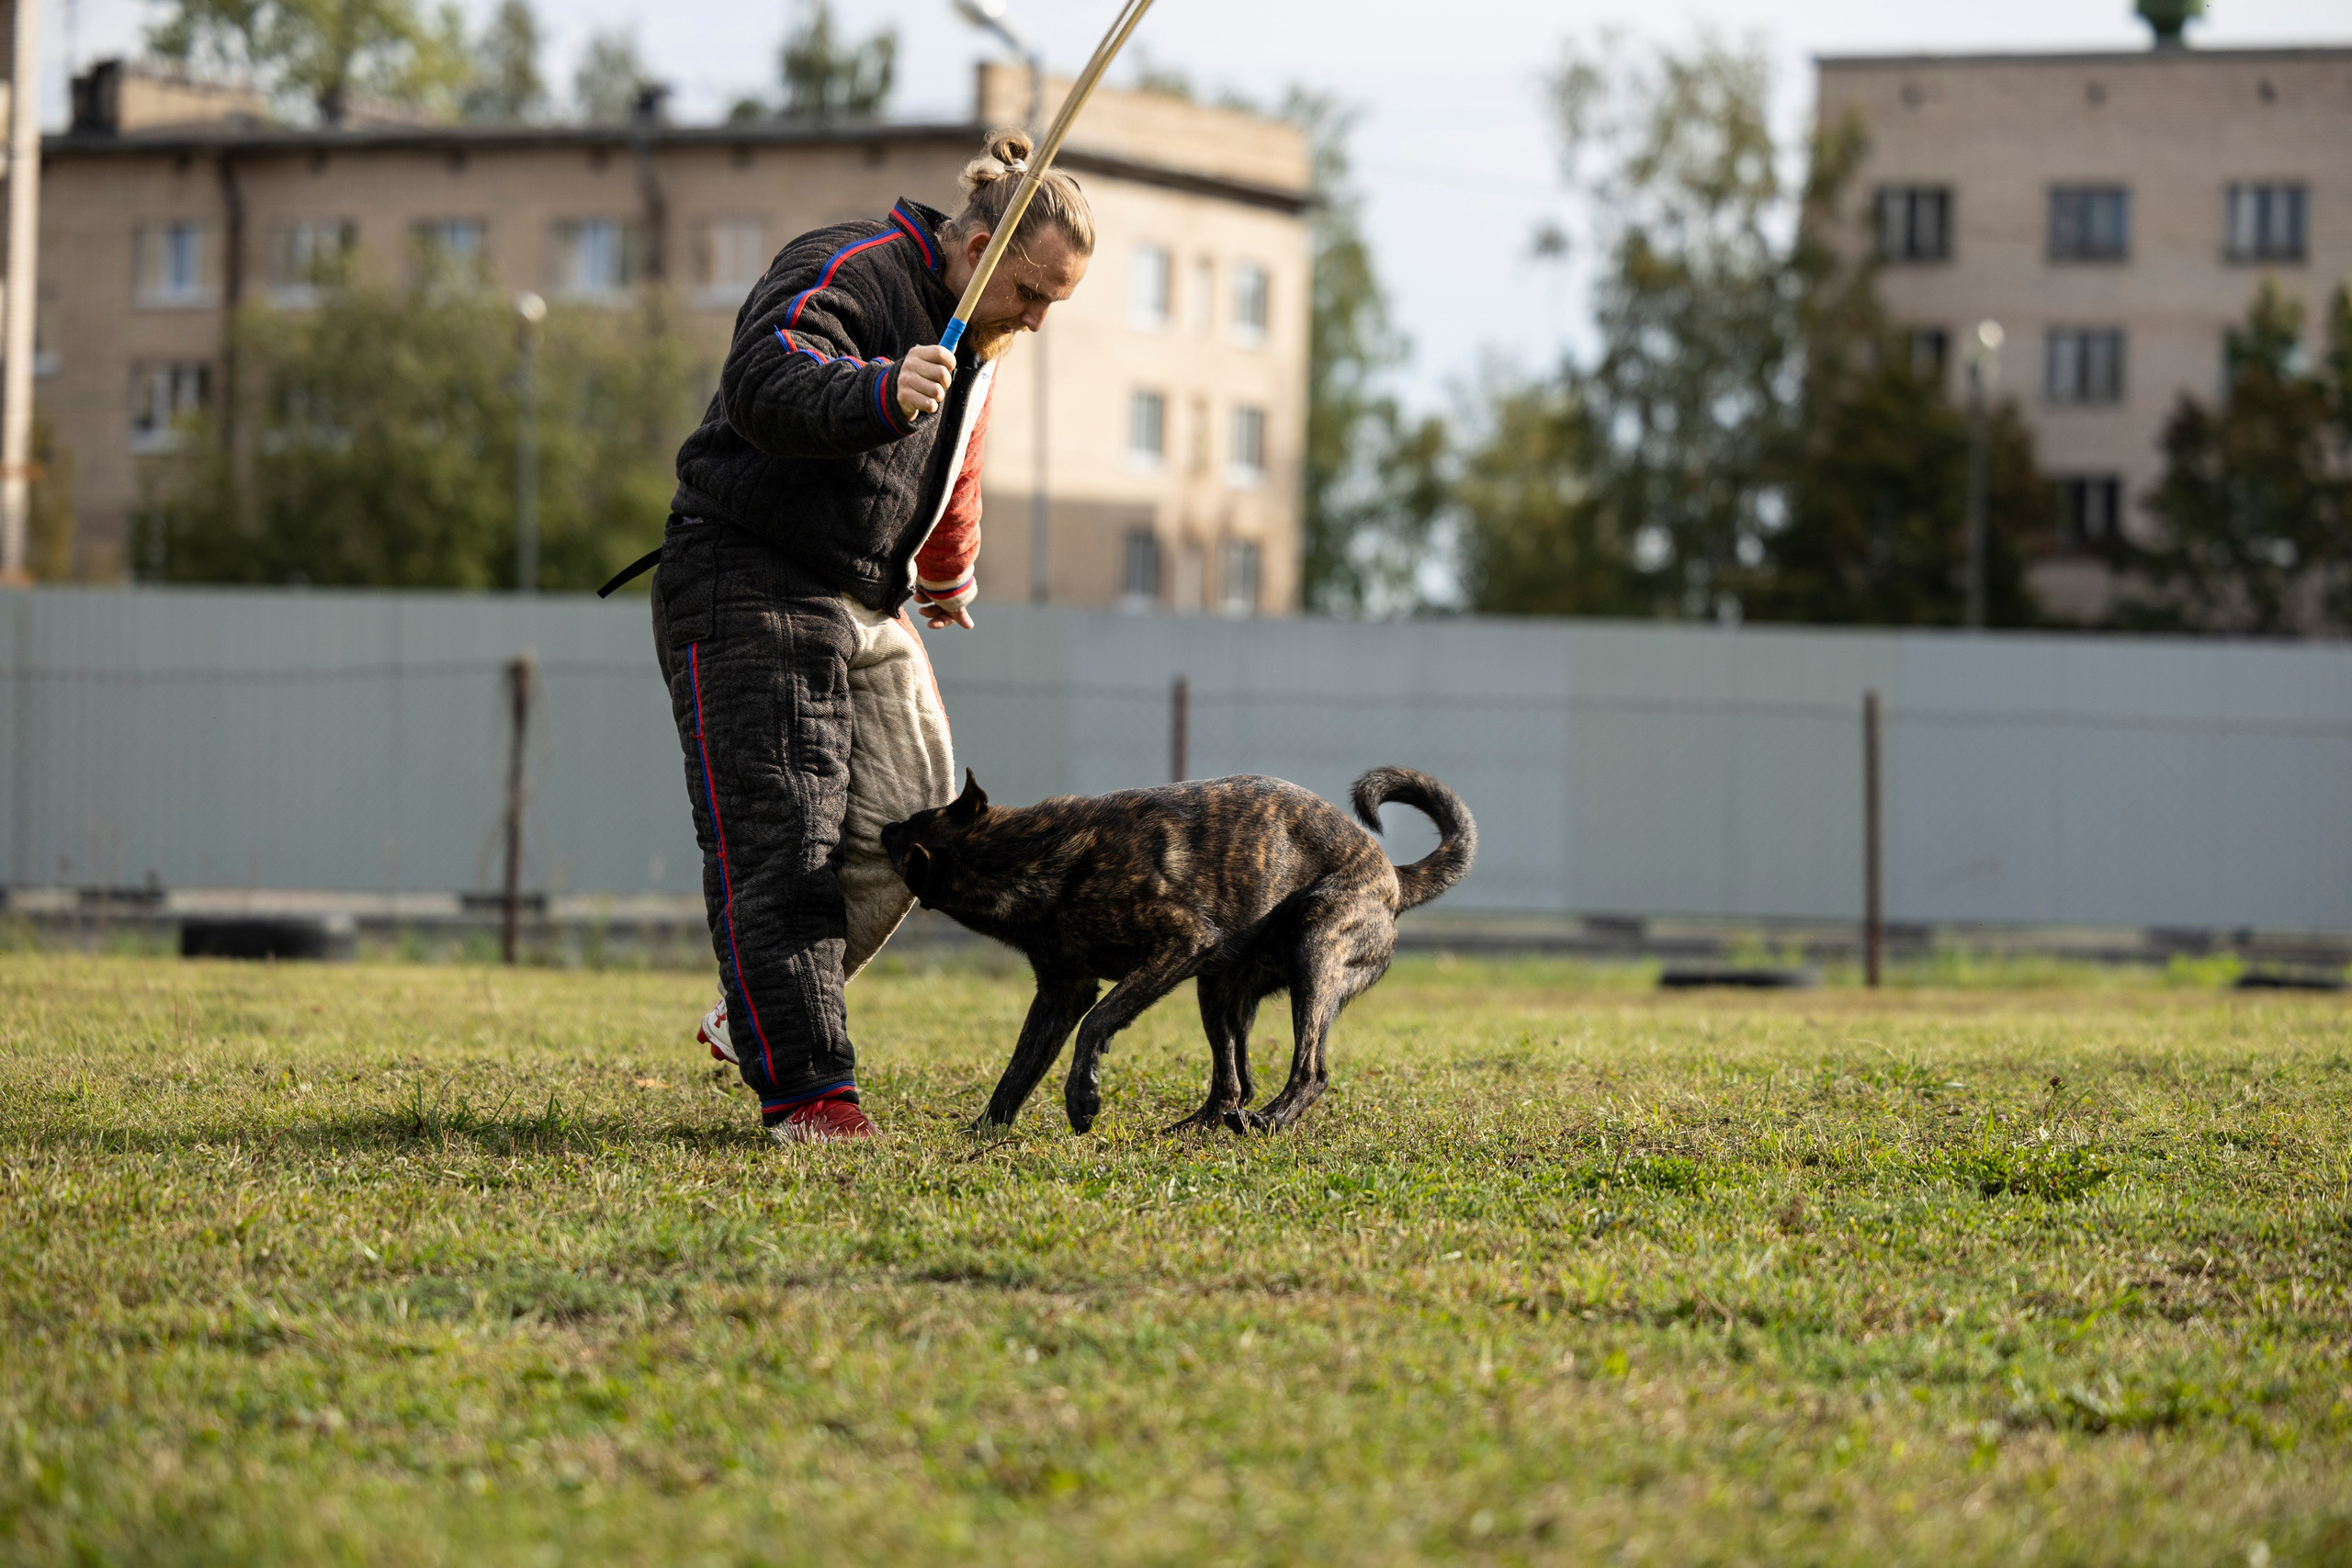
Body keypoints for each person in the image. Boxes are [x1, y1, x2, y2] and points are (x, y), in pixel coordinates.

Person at [650, 129, 1094, 1145]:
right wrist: (877, 388)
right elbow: (765, 375)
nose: (1038, 318)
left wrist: (945, 573)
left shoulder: (981, 341)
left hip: (863, 595)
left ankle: (751, 1015)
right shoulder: (850, 266)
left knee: (924, 833)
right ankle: (809, 1093)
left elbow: (956, 458)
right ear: (978, 247)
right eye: (1032, 292)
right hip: (748, 573)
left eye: (1054, 304)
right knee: (785, 835)